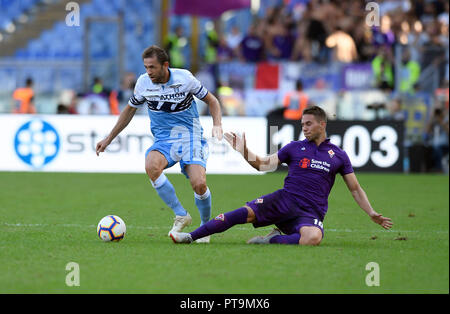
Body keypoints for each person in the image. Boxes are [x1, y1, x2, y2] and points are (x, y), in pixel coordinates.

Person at [170, 106, 393, 245]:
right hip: (283, 201)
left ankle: (272, 240)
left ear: (322, 125)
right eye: (302, 124)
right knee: (241, 214)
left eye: (309, 124)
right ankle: (191, 236)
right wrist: (244, 151)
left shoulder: (339, 156)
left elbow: (355, 188)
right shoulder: (294, 148)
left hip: (310, 211)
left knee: (312, 239)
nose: (304, 128)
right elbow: (263, 165)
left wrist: (371, 212)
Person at [96, 45, 223, 243]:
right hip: (164, 140)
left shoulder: (185, 78)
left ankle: (205, 228)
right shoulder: (143, 83)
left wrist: (217, 125)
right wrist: (108, 138)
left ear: (165, 65)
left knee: (199, 184)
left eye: (152, 67)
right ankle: (181, 214)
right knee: (151, 166)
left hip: (190, 137)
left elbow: (213, 101)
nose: (149, 72)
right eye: (146, 67)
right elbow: (129, 111)